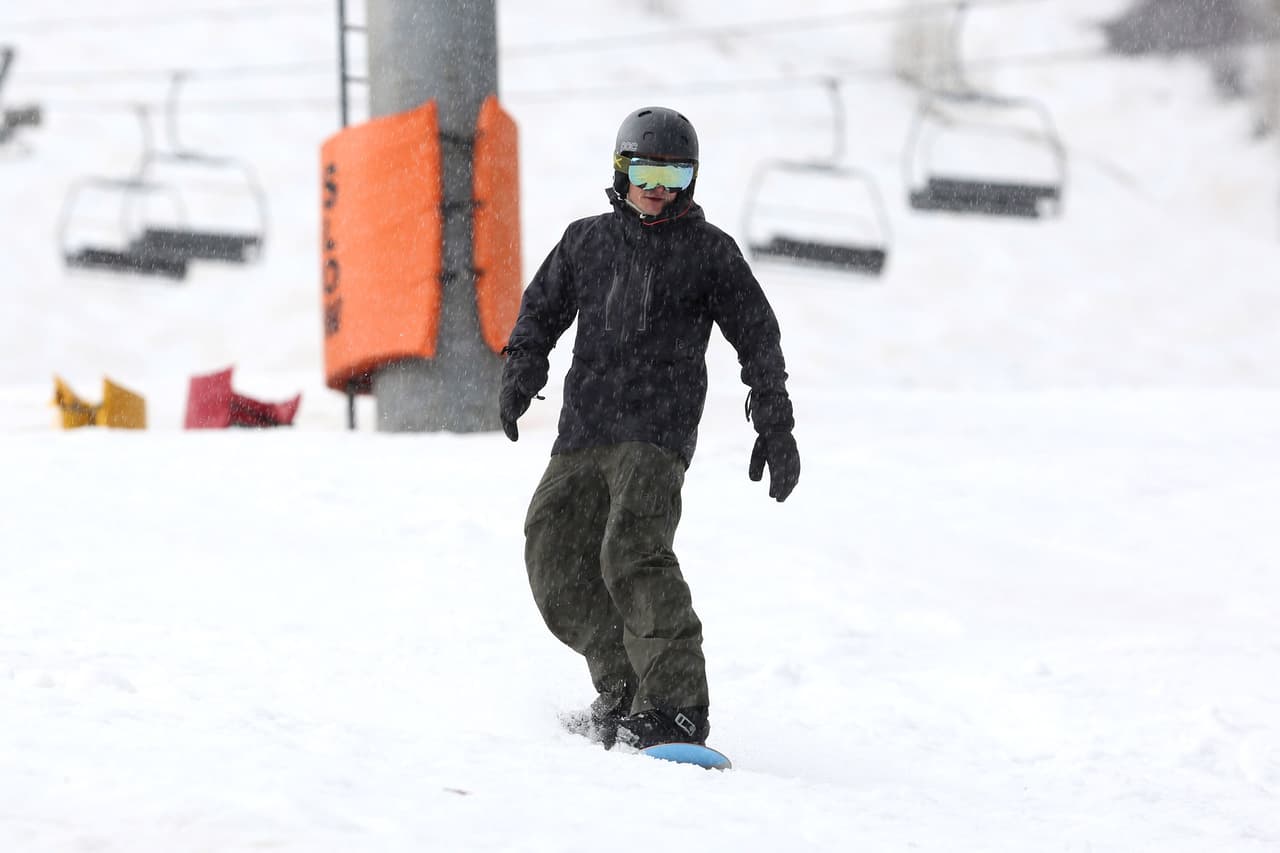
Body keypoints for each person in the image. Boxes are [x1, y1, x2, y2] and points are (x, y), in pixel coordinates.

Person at [499, 106, 800, 750]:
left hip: (656, 432)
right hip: (585, 427)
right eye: (646, 170)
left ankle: (676, 704)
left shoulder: (709, 251)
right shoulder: (586, 241)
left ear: (690, 178)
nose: (658, 186)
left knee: (631, 552)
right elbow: (540, 310)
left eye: (673, 172)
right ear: (620, 170)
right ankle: (624, 689)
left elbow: (757, 334)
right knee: (552, 552)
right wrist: (522, 369)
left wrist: (772, 413)